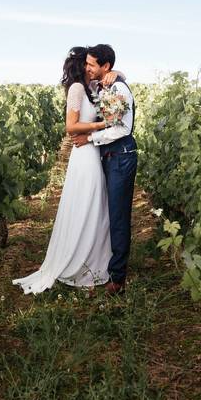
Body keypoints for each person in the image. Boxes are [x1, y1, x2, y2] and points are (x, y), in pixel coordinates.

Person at [11, 47, 120, 294]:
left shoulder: (90, 88)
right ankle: (81, 263)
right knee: (87, 205)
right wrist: (101, 125)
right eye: (88, 64)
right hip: (85, 156)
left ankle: (94, 261)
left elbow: (111, 75)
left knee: (94, 207)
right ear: (82, 66)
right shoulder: (77, 88)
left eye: (95, 64)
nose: (92, 67)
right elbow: (71, 127)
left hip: (92, 152)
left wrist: (116, 73)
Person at [72, 44, 136, 295]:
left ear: (105, 66)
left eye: (91, 64)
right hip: (110, 156)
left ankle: (118, 279)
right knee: (109, 214)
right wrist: (118, 72)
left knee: (119, 217)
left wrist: (89, 139)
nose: (87, 68)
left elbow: (122, 129)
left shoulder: (118, 88)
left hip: (121, 156)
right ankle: (107, 265)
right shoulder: (103, 85)